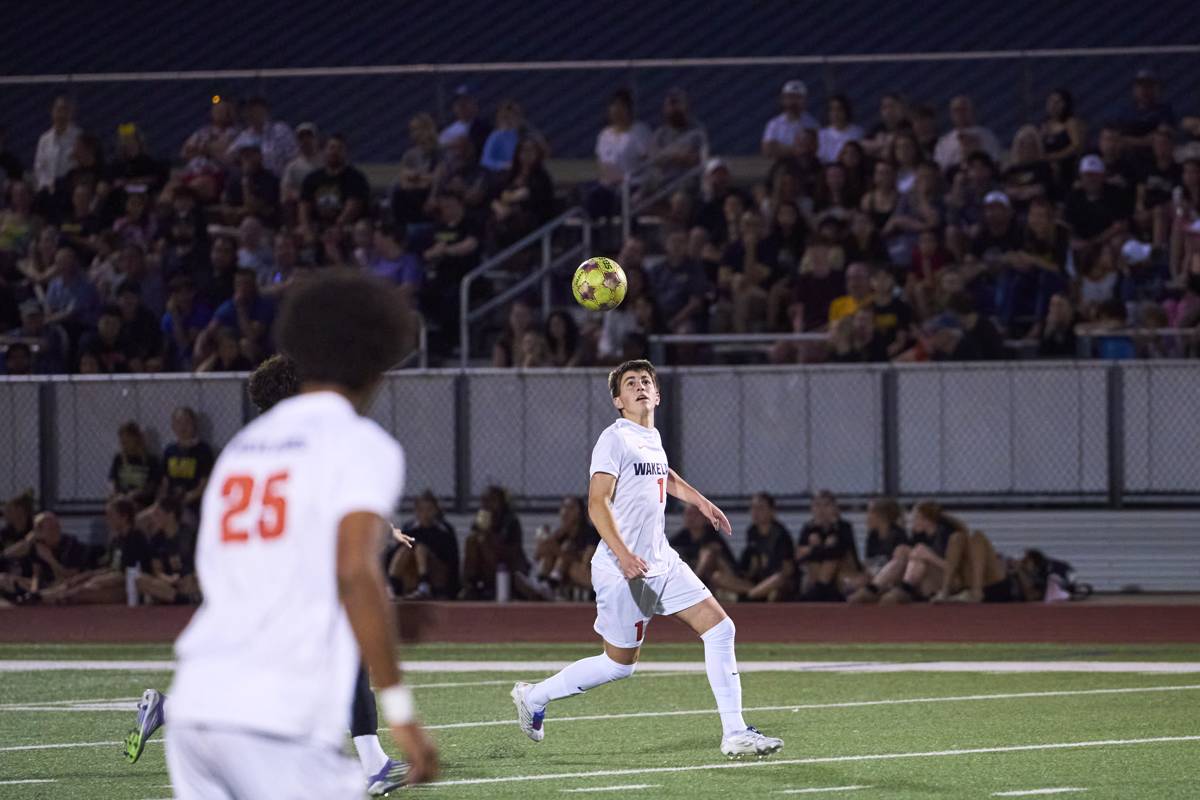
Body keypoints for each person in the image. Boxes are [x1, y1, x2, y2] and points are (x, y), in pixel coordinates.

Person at [159, 273, 437, 797]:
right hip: (273, 719)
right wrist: (401, 712)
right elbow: (354, 570)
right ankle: (376, 757)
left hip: (198, 705)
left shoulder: (244, 449)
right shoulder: (358, 442)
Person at [511, 359, 783, 757]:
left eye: (645, 382)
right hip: (622, 569)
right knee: (619, 664)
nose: (640, 386)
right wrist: (623, 555)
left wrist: (702, 502)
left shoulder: (650, 438)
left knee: (720, 629)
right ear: (618, 400)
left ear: (656, 395)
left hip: (662, 561)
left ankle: (735, 732)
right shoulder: (614, 439)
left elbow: (663, 473)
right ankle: (534, 696)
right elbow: (596, 502)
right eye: (630, 383)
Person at [708, 492, 795, 602]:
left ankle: (748, 596)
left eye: (760, 508)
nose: (755, 512)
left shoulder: (781, 535)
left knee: (779, 579)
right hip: (755, 583)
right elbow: (749, 565)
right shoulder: (752, 532)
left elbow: (787, 570)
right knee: (717, 577)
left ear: (772, 511)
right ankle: (755, 594)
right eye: (753, 508)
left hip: (772, 582)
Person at [387, 491, 459, 600]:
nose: (425, 513)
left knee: (421, 549)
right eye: (421, 510)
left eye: (429, 509)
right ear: (416, 511)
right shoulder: (410, 528)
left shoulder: (444, 530)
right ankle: (391, 586)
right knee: (405, 549)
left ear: (435, 510)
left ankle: (424, 586)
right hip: (413, 572)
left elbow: (451, 559)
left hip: (436, 572)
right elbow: (396, 552)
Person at [794, 490, 860, 600]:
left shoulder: (843, 526)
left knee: (831, 561)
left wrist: (814, 549)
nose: (821, 510)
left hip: (842, 568)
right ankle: (821, 590)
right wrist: (823, 548)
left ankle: (817, 592)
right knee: (814, 563)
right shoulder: (808, 527)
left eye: (826, 505)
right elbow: (799, 555)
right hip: (817, 571)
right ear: (812, 508)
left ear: (834, 508)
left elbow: (840, 552)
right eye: (817, 505)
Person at [108, 421, 162, 509]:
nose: (123, 442)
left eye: (127, 438)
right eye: (121, 439)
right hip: (121, 500)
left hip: (141, 502)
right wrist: (113, 493)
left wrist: (135, 494)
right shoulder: (118, 458)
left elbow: (152, 487)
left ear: (136, 438)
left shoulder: (151, 460)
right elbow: (112, 480)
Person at [761, 80, 818, 161]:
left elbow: (815, 149)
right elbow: (768, 149)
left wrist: (781, 148)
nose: (793, 102)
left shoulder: (812, 123)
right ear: (783, 99)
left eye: (798, 97)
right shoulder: (774, 124)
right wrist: (798, 149)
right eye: (790, 97)